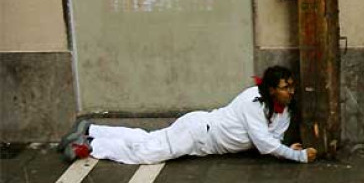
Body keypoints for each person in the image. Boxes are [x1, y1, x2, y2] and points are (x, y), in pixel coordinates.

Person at [58, 66, 317, 165]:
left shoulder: (284, 111)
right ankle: (91, 145)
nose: (291, 92)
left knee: (148, 139)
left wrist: (285, 146)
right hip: (198, 133)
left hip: (200, 139)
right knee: (147, 154)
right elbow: (264, 143)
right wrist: (297, 155)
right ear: (271, 90)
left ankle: (92, 130)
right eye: (286, 88)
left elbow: (272, 139)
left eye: (292, 87)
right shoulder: (253, 101)